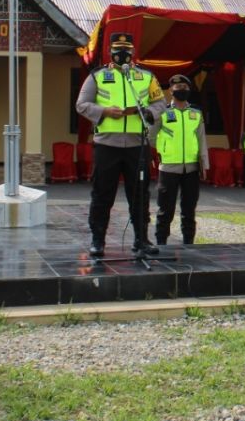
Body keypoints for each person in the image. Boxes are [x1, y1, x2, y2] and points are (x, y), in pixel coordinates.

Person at [75, 31, 166, 258]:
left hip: (137, 144)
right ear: (110, 52)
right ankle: (98, 240)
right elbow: (82, 104)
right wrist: (104, 111)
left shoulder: (146, 77)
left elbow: (160, 103)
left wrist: (148, 112)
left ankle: (141, 239)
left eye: (126, 51)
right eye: (117, 51)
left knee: (140, 194)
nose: (122, 54)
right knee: (102, 193)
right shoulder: (97, 76)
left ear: (133, 52)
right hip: (107, 145)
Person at [151, 74, 208, 247]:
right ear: (170, 91)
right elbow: (151, 137)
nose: (181, 90)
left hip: (191, 168)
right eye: (177, 88)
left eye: (184, 87)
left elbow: (201, 139)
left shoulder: (196, 113)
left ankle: (188, 242)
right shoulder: (163, 113)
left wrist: (204, 164)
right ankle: (161, 243)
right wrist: (160, 152)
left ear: (189, 90)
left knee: (189, 209)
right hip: (168, 168)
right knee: (165, 210)